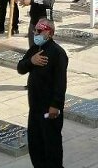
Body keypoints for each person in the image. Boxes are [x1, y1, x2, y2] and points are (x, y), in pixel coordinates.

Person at [16, 18, 68, 168]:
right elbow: (21, 68)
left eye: (39, 31)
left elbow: (60, 83)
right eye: (35, 31)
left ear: (49, 33)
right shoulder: (34, 49)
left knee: (51, 145)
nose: (35, 33)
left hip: (49, 109)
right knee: (35, 144)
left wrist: (55, 105)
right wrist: (31, 61)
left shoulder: (58, 53)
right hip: (35, 107)